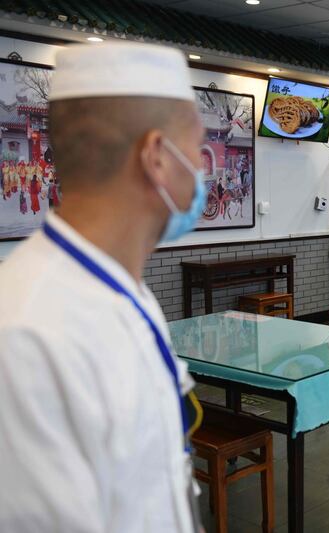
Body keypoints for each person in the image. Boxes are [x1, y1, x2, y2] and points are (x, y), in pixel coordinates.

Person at [0, 42, 207, 532]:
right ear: (157, 156)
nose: (202, 170)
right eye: (198, 149)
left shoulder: (122, 289)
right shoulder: (25, 337)